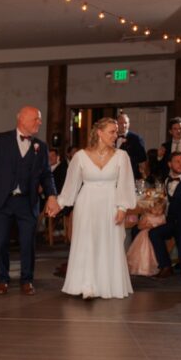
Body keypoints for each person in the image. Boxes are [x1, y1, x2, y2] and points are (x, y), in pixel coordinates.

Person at [0, 105, 61, 296]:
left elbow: (47, 175)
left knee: (28, 243)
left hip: (27, 201)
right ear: (22, 119)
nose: (39, 122)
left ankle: (27, 280)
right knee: (1, 242)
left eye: (39, 119)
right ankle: (2, 279)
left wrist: (52, 196)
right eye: (36, 119)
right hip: (1, 201)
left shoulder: (41, 146)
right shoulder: (1, 140)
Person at [56, 117, 137, 299]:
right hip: (86, 204)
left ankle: (107, 285)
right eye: (112, 131)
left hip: (110, 203)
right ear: (99, 133)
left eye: (116, 132)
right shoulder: (80, 156)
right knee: (87, 243)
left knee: (107, 242)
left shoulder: (121, 156)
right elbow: (71, 186)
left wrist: (122, 207)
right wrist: (59, 203)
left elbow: (126, 184)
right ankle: (86, 285)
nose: (115, 135)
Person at [127, 198, 167, 276]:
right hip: (144, 236)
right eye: (155, 209)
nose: (157, 212)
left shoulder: (162, 217)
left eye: (160, 210)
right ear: (150, 208)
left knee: (153, 251)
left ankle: (150, 268)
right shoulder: (147, 216)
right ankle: (141, 268)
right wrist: (146, 226)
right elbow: (139, 226)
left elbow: (163, 226)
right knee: (144, 251)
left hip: (154, 237)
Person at [115, 111, 147, 177]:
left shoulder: (136, 139)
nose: (124, 125)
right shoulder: (112, 138)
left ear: (129, 124)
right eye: (121, 123)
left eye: (126, 123)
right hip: (114, 173)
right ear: (116, 124)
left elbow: (142, 160)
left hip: (131, 173)